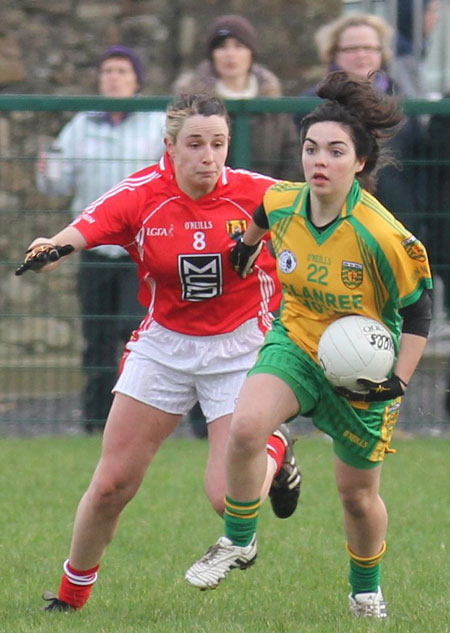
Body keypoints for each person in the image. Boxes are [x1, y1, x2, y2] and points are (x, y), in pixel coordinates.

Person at [18, 94, 302, 611]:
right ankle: (69, 598)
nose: (207, 156)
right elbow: (82, 230)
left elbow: (325, 212)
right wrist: (51, 248)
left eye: (218, 143)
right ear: (168, 147)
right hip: (165, 344)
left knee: (227, 500)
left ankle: (275, 450)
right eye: (194, 144)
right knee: (111, 484)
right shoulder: (144, 194)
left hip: (239, 348)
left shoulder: (261, 195)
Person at [185, 72, 433, 619]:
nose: (319, 160)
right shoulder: (282, 202)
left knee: (357, 496)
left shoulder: (382, 235)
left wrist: (398, 381)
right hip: (296, 341)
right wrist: (243, 252)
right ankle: (239, 539)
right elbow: (258, 220)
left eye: (336, 151)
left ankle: (365, 591)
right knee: (246, 427)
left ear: (360, 164)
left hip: (362, 369)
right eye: (311, 148)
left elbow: (419, 310)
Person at [36, 45, 166, 432]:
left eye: (122, 71)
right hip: (93, 248)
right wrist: (47, 168)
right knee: (95, 335)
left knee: (131, 331)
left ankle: (134, 421)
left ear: (137, 80)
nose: (113, 77)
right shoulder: (80, 124)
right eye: (107, 70)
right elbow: (56, 184)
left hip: (140, 250)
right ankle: (94, 421)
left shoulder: (155, 123)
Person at [294, 13, 426, 234]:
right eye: (351, 49)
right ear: (333, 53)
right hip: (326, 220)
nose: (361, 55)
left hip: (394, 219)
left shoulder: (402, 101)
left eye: (369, 48)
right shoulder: (310, 103)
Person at [173, 14, 301, 181]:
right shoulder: (191, 103)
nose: (230, 54)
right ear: (212, 55)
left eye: (239, 46)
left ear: (251, 53)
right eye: (222, 47)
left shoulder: (272, 102)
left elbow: (291, 157)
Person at [390, 0, 440, 98]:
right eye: (431, 11)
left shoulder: (414, 46)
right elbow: (415, 106)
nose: (437, 17)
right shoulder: (402, 53)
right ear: (411, 13)